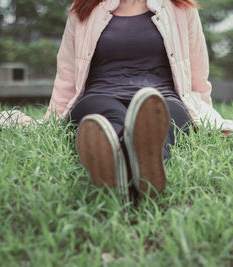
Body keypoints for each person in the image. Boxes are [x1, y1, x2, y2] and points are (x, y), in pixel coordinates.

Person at [44, 0, 208, 203]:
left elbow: (198, 73)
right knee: (107, 122)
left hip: (161, 98)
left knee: (157, 118)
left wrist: (204, 113)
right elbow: (66, 72)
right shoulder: (84, 7)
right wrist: (54, 116)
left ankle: (127, 169)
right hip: (100, 95)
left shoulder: (181, 8)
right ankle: (121, 164)